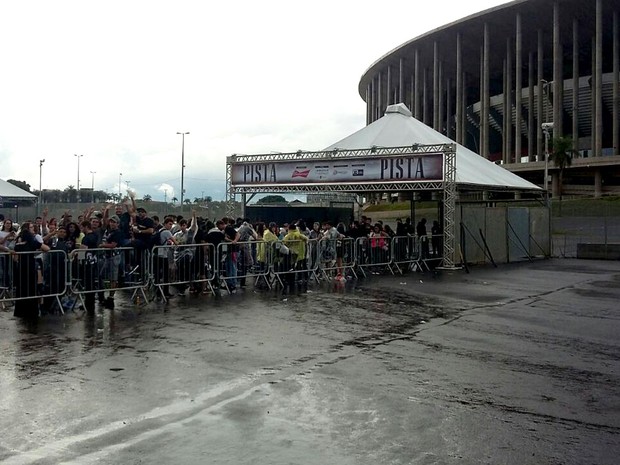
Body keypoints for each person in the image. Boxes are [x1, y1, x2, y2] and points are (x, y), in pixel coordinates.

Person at [13, 221, 50, 321]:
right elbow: (47, 248)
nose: (33, 229)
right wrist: (37, 250)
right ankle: (32, 311)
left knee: (22, 290)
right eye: (31, 228)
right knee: (31, 289)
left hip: (21, 268)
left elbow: (15, 258)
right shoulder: (32, 242)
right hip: (30, 267)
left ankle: (21, 311)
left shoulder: (18, 244)